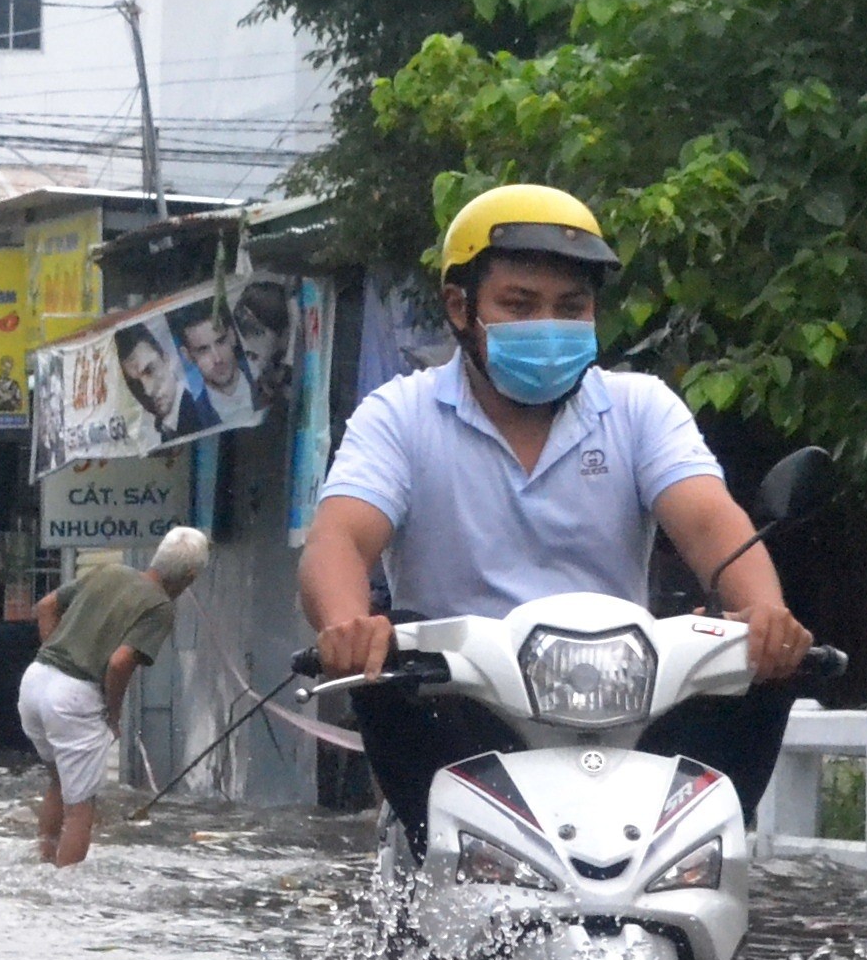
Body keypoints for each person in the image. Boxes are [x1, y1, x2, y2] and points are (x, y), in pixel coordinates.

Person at [299, 182, 811, 832]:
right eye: (520, 304)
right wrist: (348, 626)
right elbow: (338, 539)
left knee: (746, 738)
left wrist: (764, 614)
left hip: (624, 720)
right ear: (460, 307)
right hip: (458, 717)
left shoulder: (641, 409)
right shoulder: (399, 417)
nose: (549, 325)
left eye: (572, 307)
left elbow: (712, 522)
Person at [19, 525, 208, 867]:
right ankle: (63, 893)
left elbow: (46, 606)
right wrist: (113, 713)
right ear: (190, 576)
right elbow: (120, 663)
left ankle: (44, 859)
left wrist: (56, 652)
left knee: (58, 782)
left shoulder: (110, 571)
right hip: (74, 696)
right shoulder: (160, 607)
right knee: (81, 809)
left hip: (35, 679)